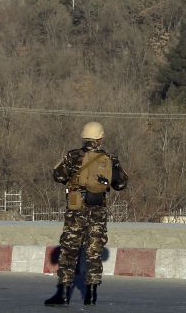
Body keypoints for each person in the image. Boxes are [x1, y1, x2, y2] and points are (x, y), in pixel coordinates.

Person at [44, 121, 128, 307]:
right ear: (100, 138)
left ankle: (63, 294)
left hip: (76, 210)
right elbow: (121, 184)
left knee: (69, 250)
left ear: (84, 137)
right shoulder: (109, 158)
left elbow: (58, 176)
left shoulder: (73, 156)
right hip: (98, 210)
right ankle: (91, 294)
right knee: (94, 251)